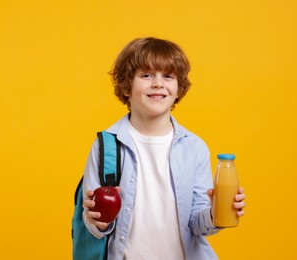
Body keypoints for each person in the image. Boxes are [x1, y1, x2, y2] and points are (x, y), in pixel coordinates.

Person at [82, 37, 246, 259]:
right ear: (127, 86)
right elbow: (95, 224)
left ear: (178, 89)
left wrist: (217, 213)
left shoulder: (194, 147)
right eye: (146, 75)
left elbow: (197, 224)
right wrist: (97, 220)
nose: (158, 83)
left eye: (168, 76)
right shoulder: (106, 146)